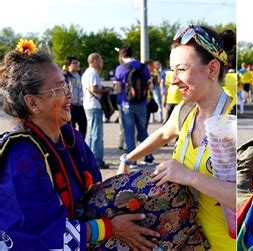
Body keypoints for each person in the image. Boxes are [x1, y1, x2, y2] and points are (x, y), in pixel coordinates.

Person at [0, 39, 160, 250]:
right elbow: (38, 234)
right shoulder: (22, 155)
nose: (69, 93)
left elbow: (93, 188)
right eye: (58, 87)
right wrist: (110, 228)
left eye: (65, 84)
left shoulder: (69, 136)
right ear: (32, 102)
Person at [117, 24, 236, 250]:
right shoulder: (185, 111)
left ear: (212, 69)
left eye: (181, 69)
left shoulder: (234, 121)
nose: (172, 80)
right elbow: (163, 133)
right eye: (172, 70)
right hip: (184, 242)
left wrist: (189, 177)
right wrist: (128, 159)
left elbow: (247, 199)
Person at [114, 46, 154, 166]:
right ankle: (148, 157)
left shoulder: (120, 69)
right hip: (142, 103)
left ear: (121, 56)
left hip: (126, 104)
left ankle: (132, 161)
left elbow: (118, 88)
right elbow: (150, 86)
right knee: (143, 131)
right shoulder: (143, 67)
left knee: (129, 132)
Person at [82, 53, 111, 169]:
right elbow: (94, 88)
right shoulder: (93, 72)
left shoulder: (86, 72)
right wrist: (106, 90)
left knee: (91, 133)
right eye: (100, 60)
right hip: (94, 105)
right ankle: (97, 160)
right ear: (94, 61)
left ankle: (89, 159)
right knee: (97, 134)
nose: (102, 62)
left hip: (89, 105)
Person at [63, 55, 87, 139]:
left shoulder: (80, 75)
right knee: (71, 128)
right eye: (74, 63)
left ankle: (81, 143)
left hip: (80, 105)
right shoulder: (65, 76)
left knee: (83, 126)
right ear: (68, 65)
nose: (77, 65)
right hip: (71, 106)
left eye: (77, 63)